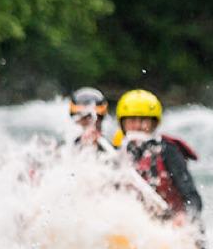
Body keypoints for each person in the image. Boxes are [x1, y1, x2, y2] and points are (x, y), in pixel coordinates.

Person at [112, 90, 203, 225]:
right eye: (131, 121)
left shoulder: (168, 151)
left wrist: (184, 216)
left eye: (143, 120)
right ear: (122, 124)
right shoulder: (117, 152)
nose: (137, 126)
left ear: (154, 124)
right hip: (136, 224)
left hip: (171, 224)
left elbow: (192, 197)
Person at [67, 88, 115, 153]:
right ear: (76, 120)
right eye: (84, 118)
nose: (91, 123)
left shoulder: (112, 146)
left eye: (96, 118)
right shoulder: (64, 148)